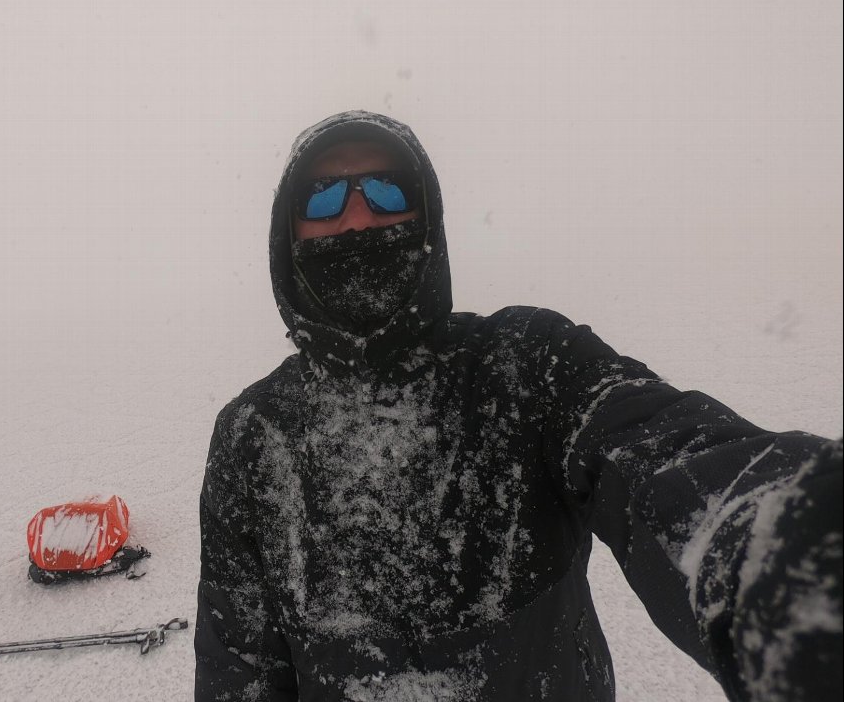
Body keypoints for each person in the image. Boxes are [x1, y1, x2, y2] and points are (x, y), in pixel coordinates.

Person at [193, 110, 842, 701]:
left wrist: (790, 557)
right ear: (290, 231)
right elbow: (239, 671)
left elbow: (668, 461)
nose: (358, 217)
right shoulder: (252, 434)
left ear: (424, 221)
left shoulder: (528, 361)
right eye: (325, 196)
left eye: (387, 191)